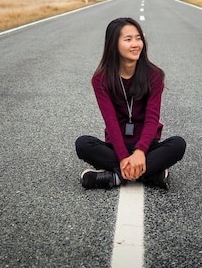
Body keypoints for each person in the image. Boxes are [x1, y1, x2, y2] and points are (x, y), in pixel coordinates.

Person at [75, 17, 186, 190]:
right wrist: (122, 157)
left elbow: (152, 118)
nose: (136, 44)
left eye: (138, 38)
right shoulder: (101, 79)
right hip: (116, 144)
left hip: (148, 145)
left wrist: (140, 152)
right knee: (83, 144)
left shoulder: (154, 75)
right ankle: (151, 174)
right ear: (114, 44)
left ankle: (115, 176)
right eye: (128, 39)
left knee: (178, 145)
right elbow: (110, 122)